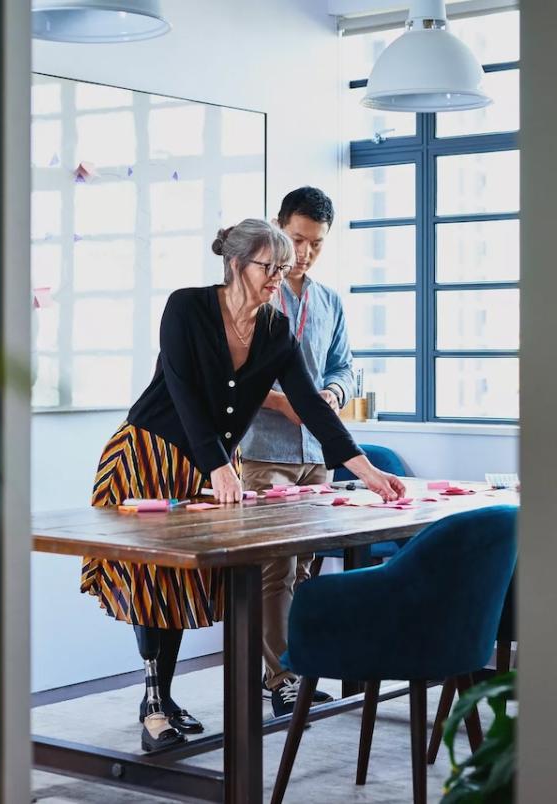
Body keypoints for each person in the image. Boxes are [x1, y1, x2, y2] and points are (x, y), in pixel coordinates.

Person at [83, 218, 406, 752]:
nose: (279, 276)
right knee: (152, 583)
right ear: (235, 264)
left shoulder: (276, 329)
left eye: (283, 268)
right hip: (147, 454)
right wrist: (218, 463)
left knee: (183, 588)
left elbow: (308, 403)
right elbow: (184, 393)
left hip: (209, 465)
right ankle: (155, 706)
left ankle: (159, 697)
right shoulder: (187, 308)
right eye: (269, 267)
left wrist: (364, 468)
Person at [238, 187, 355, 717]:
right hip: (265, 450)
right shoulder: (256, 290)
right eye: (298, 239)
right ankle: (282, 677)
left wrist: (333, 393)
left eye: (317, 244)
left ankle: (294, 667)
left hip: (316, 452)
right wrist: (284, 403)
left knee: (306, 564)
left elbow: (345, 366)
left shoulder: (329, 301)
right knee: (277, 567)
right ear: (277, 227)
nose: (305, 253)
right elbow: (230, 376)